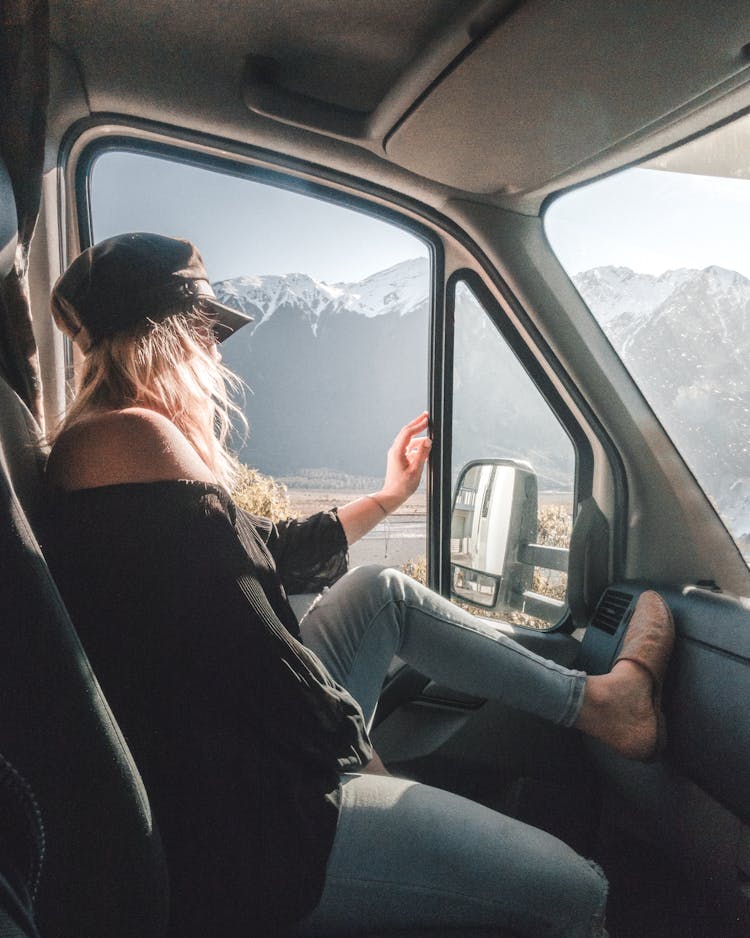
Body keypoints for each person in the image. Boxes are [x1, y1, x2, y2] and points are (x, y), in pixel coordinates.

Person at [41, 233, 674, 937]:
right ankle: (606, 708)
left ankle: (602, 704)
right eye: (208, 332)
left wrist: (388, 495)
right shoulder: (133, 437)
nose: (218, 354)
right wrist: (355, 753)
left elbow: (261, 558)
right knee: (577, 892)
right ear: (172, 333)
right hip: (257, 824)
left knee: (380, 592)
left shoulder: (108, 442)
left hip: (230, 757)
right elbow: (253, 647)